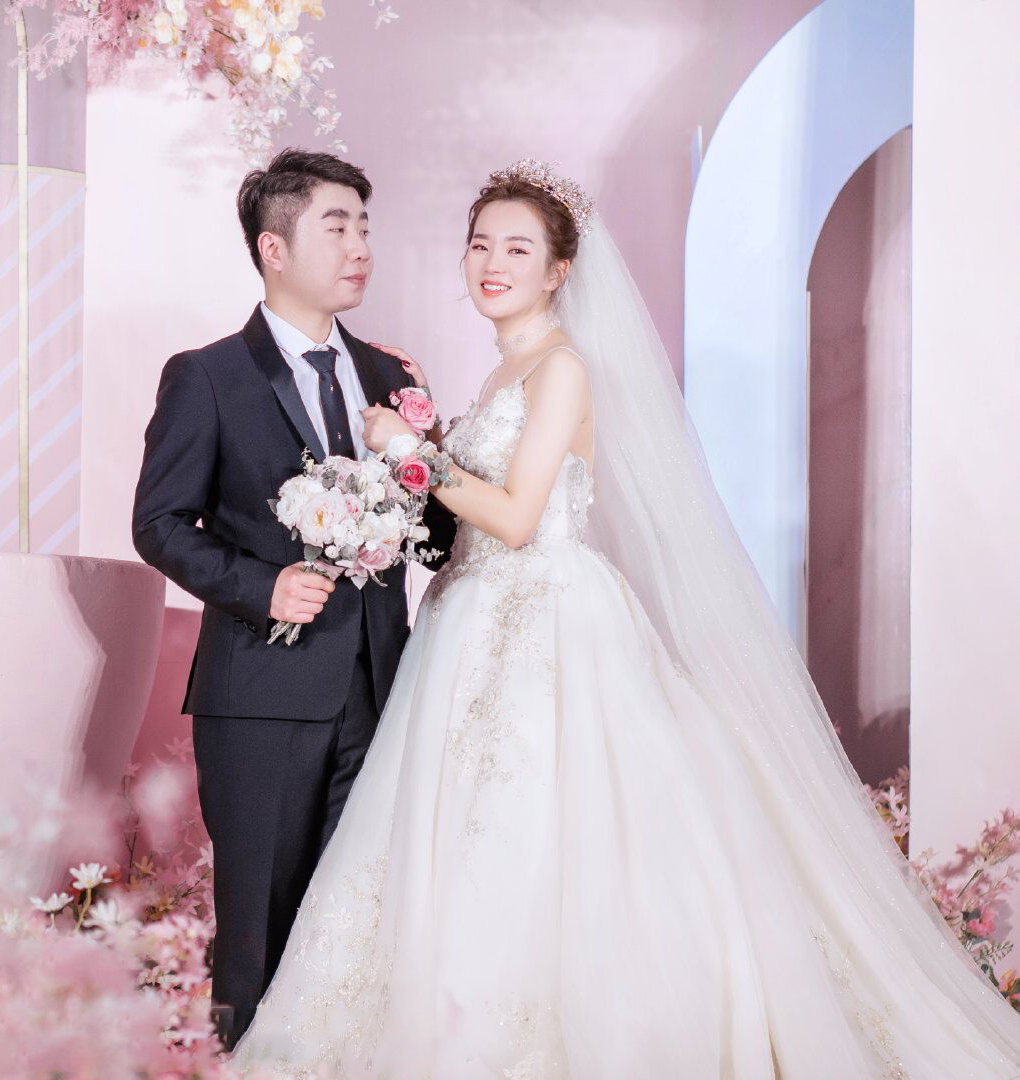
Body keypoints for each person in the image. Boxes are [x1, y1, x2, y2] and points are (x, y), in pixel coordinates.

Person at [231, 160, 1020, 1077]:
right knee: (451, 836)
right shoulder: (501, 371)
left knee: (542, 825)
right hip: (465, 620)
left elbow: (518, 519)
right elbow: (461, 523)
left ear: (558, 270)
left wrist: (411, 451)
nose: (492, 264)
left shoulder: (562, 368)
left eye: (517, 249)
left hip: (546, 621)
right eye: (479, 245)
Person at [131, 148, 456, 1050]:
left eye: (364, 226)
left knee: (361, 922)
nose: (360, 247)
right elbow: (158, 523)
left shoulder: (392, 377)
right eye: (336, 226)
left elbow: (433, 538)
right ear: (273, 248)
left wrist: (427, 471)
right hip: (261, 695)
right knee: (261, 931)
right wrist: (260, 585)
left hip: (383, 687)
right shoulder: (207, 375)